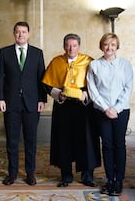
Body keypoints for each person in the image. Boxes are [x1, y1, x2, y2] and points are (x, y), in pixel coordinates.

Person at [42, 33, 101, 188]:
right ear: (64, 46)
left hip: (84, 107)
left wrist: (86, 94)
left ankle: (87, 176)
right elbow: (47, 85)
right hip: (63, 106)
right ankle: (66, 175)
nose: (71, 48)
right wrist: (58, 95)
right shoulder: (56, 62)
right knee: (64, 140)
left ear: (79, 46)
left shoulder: (88, 61)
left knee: (87, 140)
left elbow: (97, 83)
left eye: (74, 45)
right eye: (68, 45)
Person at [0, 21, 46, 186]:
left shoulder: (37, 53)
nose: (21, 35)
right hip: (11, 103)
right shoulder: (4, 52)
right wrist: (0, 98)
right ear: (14, 33)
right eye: (17, 32)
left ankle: (30, 173)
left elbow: (42, 78)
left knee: (30, 140)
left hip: (32, 104)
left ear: (29, 34)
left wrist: (42, 99)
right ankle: (12, 173)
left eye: (24, 32)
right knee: (12, 140)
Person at [86, 33, 133, 197]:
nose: (109, 48)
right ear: (101, 46)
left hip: (121, 111)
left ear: (117, 47)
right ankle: (109, 179)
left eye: (113, 45)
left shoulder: (125, 65)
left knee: (119, 144)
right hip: (101, 111)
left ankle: (119, 180)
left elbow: (128, 89)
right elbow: (93, 90)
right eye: (106, 44)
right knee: (106, 145)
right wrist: (106, 108)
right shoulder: (94, 65)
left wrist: (116, 108)